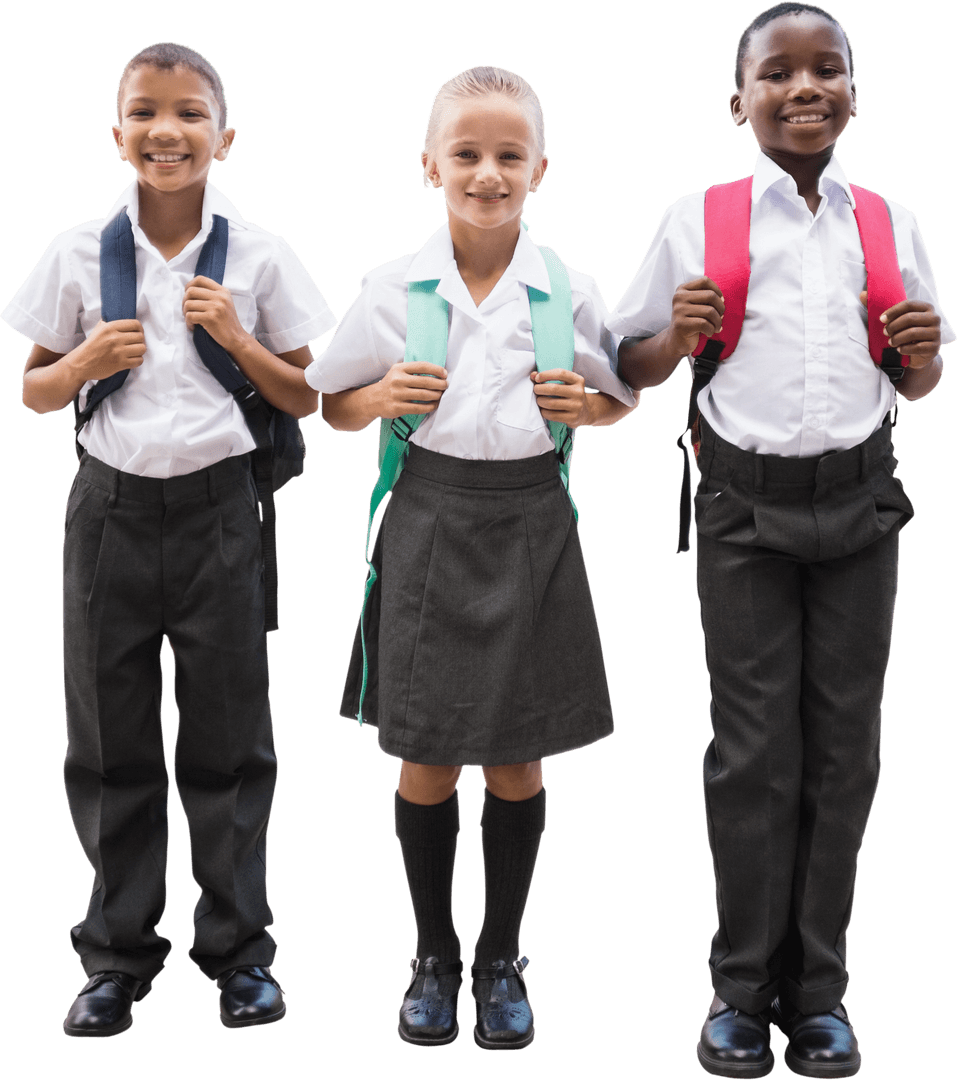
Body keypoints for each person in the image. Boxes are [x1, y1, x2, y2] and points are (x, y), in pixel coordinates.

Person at [606, 5, 952, 1077]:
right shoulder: (695, 219)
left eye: (826, 71)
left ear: (853, 93)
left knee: (843, 753)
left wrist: (914, 355)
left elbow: (923, 373)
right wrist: (679, 331)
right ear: (739, 99)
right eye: (777, 73)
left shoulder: (890, 224)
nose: (803, 88)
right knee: (754, 754)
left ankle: (822, 996)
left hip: (860, 507)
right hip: (741, 512)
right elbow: (634, 362)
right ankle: (740, 990)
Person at [2, 42, 336, 1036]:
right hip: (106, 512)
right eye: (145, 112)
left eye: (189, 113)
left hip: (220, 510)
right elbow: (33, 388)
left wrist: (236, 337)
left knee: (230, 740)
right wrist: (82, 363)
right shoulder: (75, 252)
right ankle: (115, 957)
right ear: (118, 136)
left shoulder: (263, 255)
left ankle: (239, 953)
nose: (166, 129)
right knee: (107, 742)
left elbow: (307, 395)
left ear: (222, 138)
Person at [306, 65, 634, 1050]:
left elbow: (617, 394)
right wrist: (375, 401)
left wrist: (596, 407)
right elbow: (328, 401)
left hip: (533, 522)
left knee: (517, 754)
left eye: (506, 156)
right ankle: (430, 953)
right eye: (466, 155)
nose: (486, 174)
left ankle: (500, 955)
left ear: (540, 168)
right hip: (428, 521)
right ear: (429, 166)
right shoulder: (389, 289)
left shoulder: (568, 290)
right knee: (426, 752)